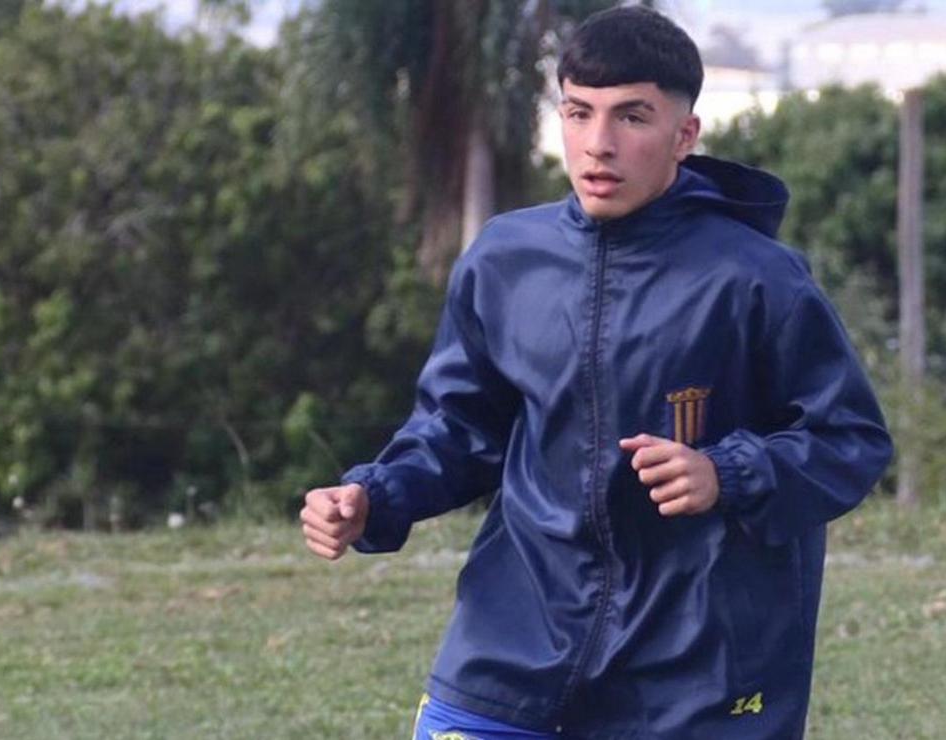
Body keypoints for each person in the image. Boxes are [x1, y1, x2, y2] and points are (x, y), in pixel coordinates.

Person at [299, 6, 893, 739]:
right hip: (510, 651)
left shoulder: (758, 279)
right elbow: (459, 429)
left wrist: (726, 474)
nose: (598, 144)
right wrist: (375, 494)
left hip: (697, 675)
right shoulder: (504, 260)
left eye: (632, 117)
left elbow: (850, 441)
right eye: (579, 113)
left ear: (685, 135)